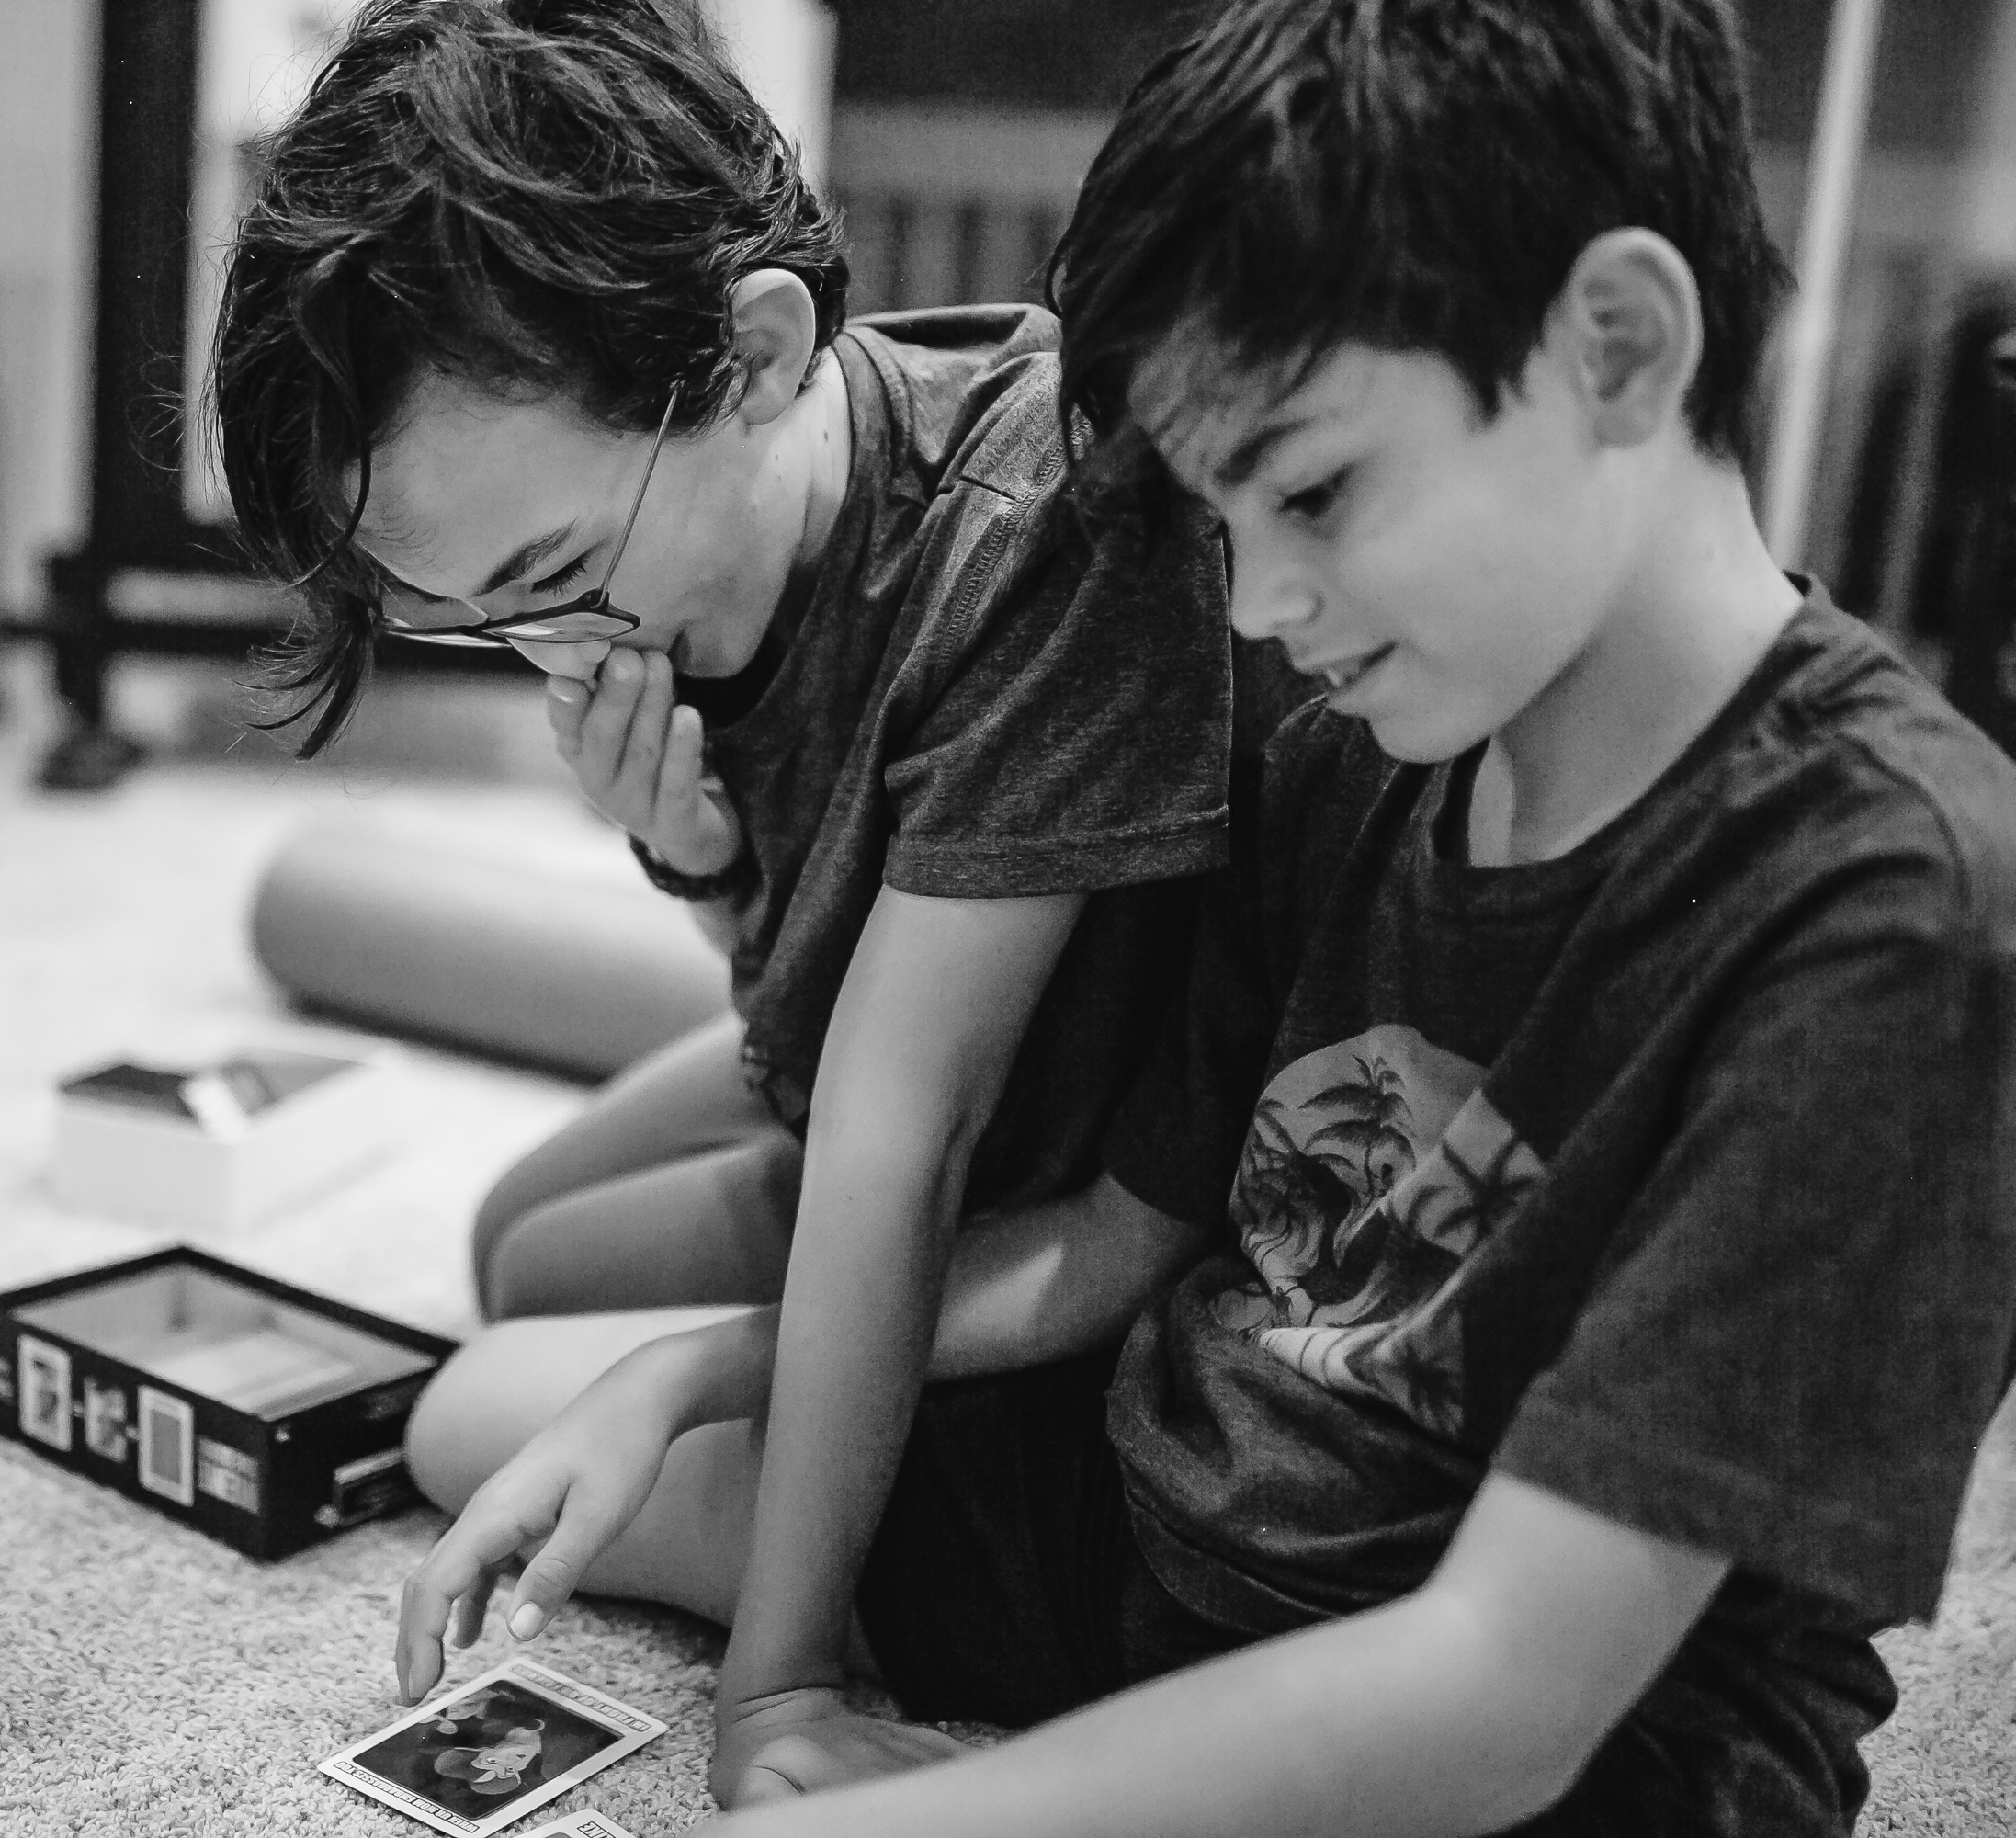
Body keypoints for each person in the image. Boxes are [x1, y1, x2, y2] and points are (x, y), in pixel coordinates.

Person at [391, 2, 2016, 1832]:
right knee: (499, 1411)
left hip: (1538, 1756)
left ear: (1621, 345)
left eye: (1313, 489)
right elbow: (1107, 1248)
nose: (1254, 607)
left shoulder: (1901, 907)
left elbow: (1497, 1702)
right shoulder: (1360, 753)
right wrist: (691, 1365)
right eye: (1224, 519)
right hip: (1145, 1517)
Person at [216, 0, 1252, 1328]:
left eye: (550, 575)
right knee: (506, 1239)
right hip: (849, 1045)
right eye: (468, 612)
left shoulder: (1021, 527)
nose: (547, 648)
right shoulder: (701, 518)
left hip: (1040, 1141)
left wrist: (714, 1413)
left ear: (753, 355)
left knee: (524, 1315)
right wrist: (702, 856)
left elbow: (914, 1133)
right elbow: (797, 994)